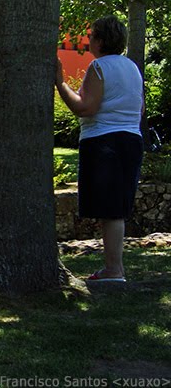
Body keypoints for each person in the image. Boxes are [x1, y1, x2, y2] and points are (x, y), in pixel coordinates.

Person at [56, 16, 143, 283]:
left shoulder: (99, 67)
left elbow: (85, 108)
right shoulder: (132, 68)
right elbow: (139, 110)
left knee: (110, 210)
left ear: (102, 40)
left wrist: (60, 83)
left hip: (104, 141)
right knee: (116, 208)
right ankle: (114, 269)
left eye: (92, 35)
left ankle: (114, 271)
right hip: (131, 140)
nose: (89, 39)